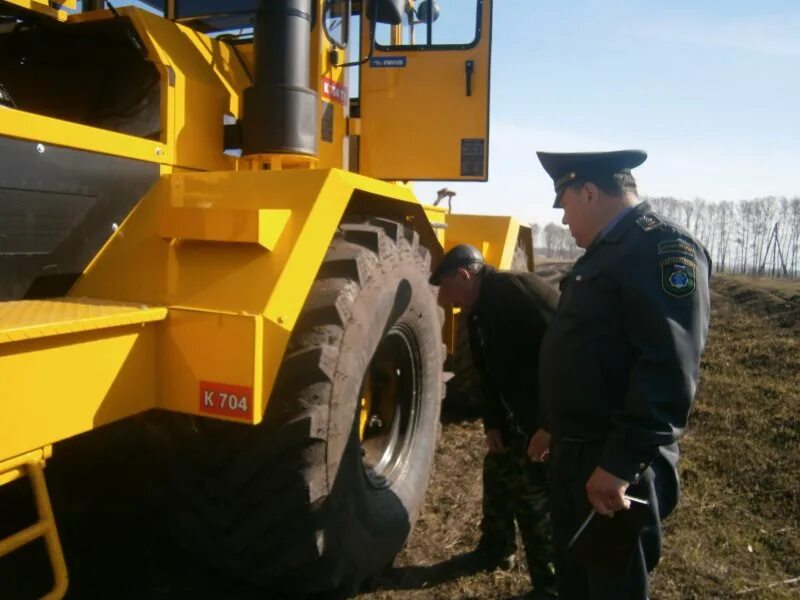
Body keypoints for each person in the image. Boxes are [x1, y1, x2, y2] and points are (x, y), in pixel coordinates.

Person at [532, 149, 711, 600]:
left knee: (613, 582)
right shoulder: (605, 253)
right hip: (577, 454)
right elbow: (589, 355)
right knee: (575, 578)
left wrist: (619, 463)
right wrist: (555, 425)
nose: (564, 218)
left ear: (589, 192)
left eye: (565, 204)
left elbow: (669, 365)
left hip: (615, 462)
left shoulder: (660, 248)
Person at [430, 244, 560, 599]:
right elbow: (489, 372)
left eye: (446, 288)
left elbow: (567, 354)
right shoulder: (477, 312)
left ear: (464, 275)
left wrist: (548, 426)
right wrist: (493, 424)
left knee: (534, 499)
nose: (445, 300)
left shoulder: (515, 292)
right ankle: (495, 551)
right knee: (499, 475)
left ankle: (550, 587)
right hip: (515, 419)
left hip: (548, 419)